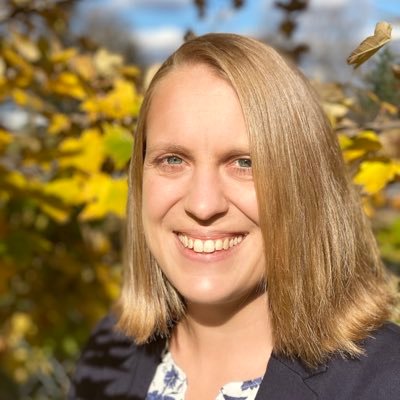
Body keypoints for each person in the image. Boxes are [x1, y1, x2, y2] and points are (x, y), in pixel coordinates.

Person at [69, 33, 400, 400]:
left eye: (245, 163)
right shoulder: (110, 353)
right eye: (173, 159)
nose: (203, 205)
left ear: (304, 186)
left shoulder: (384, 384)